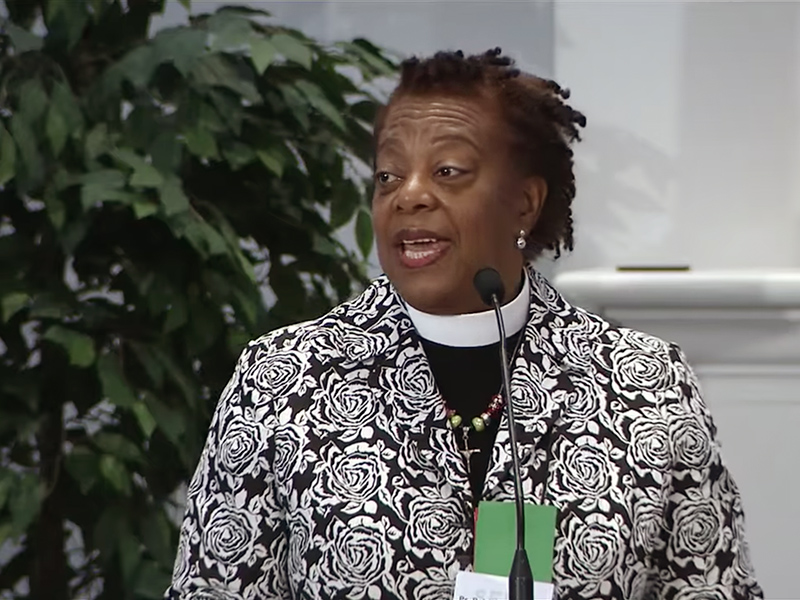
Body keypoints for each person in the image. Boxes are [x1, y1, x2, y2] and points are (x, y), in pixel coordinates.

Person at [166, 48, 762, 600]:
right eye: (388, 176)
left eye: (448, 171)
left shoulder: (646, 383)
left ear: (524, 203)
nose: (409, 196)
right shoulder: (282, 380)